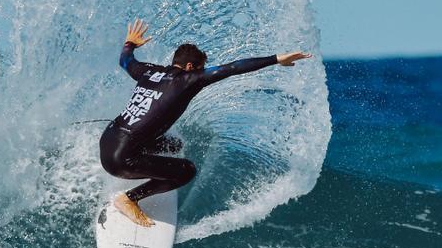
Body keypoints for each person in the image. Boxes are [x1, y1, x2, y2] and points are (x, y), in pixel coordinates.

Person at [100, 18, 312, 226]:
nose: (203, 72)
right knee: (187, 171)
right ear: (190, 66)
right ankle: (129, 199)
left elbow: (125, 61)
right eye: (201, 68)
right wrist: (276, 59)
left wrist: (129, 43)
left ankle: (146, 167)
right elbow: (234, 67)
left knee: (174, 146)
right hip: (119, 160)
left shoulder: (149, 71)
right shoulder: (189, 80)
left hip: (109, 139)